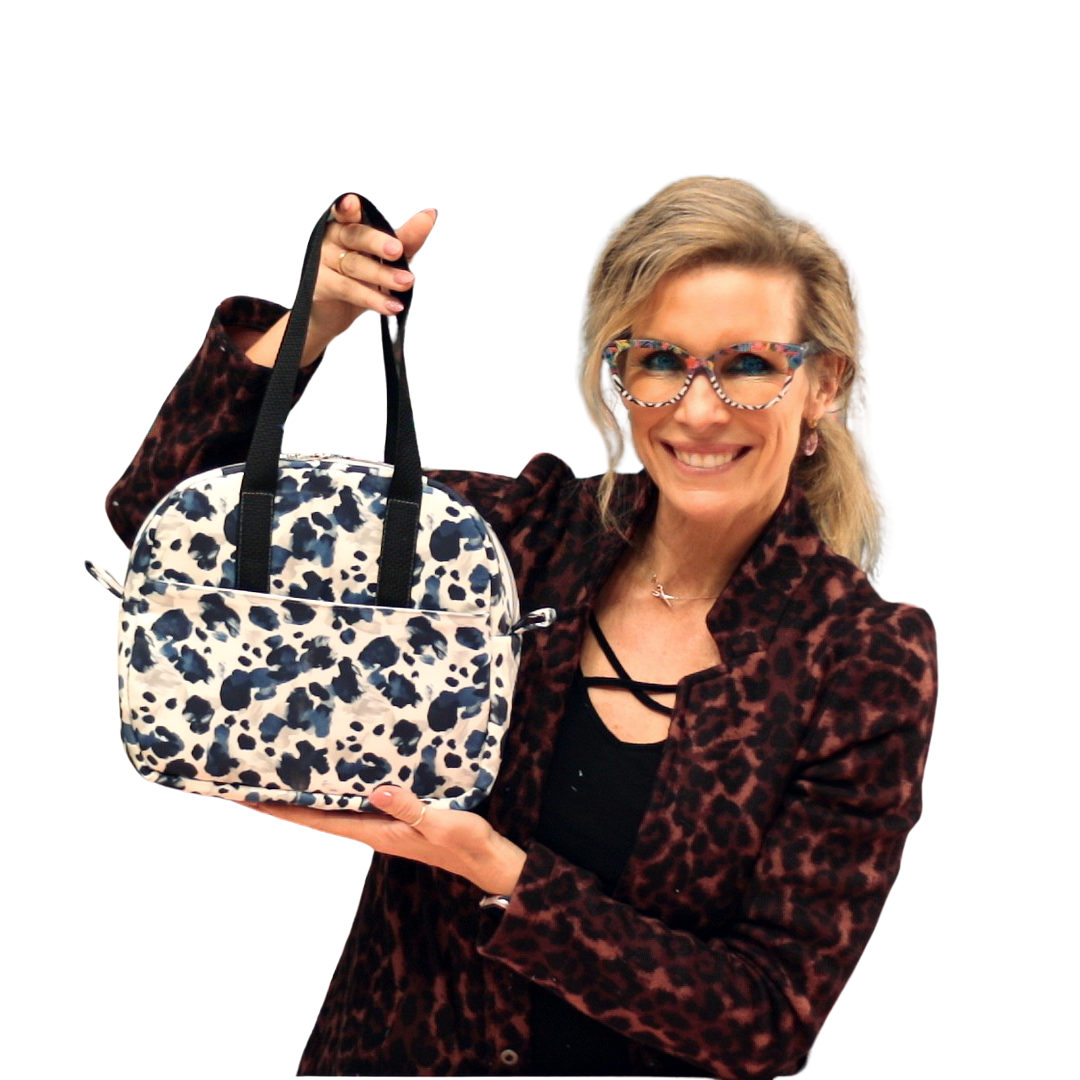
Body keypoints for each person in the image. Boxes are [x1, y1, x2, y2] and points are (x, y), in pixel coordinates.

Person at [104, 176, 939, 1077]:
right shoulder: (514, 540)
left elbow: (764, 1024)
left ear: (823, 383)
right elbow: (163, 521)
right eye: (660, 360)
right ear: (618, 377)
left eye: (748, 365)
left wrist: (502, 873)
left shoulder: (863, 658)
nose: (698, 411)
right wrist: (314, 324)